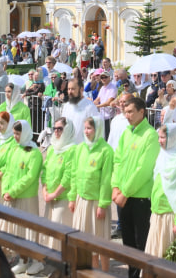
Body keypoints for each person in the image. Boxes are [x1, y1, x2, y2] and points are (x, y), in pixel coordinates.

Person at [113, 96, 160, 278]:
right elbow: (118, 160)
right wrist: (115, 186)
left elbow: (144, 169)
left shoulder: (150, 135)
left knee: (142, 244)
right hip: (122, 195)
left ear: (142, 112)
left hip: (140, 198)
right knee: (128, 245)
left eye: (131, 111)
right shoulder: (127, 132)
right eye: (125, 112)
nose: (127, 115)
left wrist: (125, 191)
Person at [0, 119, 45, 275]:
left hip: (26, 197)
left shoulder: (34, 153)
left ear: (25, 133)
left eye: (18, 133)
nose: (15, 136)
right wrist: (5, 190)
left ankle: (38, 261)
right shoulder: (14, 149)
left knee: (30, 230)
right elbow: (7, 171)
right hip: (12, 196)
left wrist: (12, 191)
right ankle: (23, 260)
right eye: (14, 133)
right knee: (18, 231)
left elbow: (30, 177)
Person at [69, 116, 114, 271]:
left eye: (90, 128)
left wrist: (102, 204)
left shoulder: (106, 150)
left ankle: (105, 272)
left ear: (98, 129)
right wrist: (72, 198)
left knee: (100, 241)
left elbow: (106, 179)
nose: (86, 132)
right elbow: (74, 173)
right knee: (87, 242)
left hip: (96, 202)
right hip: (82, 200)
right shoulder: (80, 148)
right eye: (85, 128)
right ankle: (93, 273)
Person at [145, 124, 176, 263]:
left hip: (171, 216)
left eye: (163, 137)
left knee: (168, 259)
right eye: (159, 137)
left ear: (173, 138)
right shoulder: (162, 155)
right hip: (157, 213)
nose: (160, 140)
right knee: (154, 256)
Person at [41, 118, 75, 249]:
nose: (56, 132)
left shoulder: (72, 149)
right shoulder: (52, 149)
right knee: (49, 231)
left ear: (67, 130)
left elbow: (68, 176)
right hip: (49, 196)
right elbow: (44, 170)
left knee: (59, 231)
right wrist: (44, 190)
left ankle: (62, 265)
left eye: (60, 129)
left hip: (63, 197)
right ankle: (52, 262)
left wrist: (55, 193)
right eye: (54, 128)